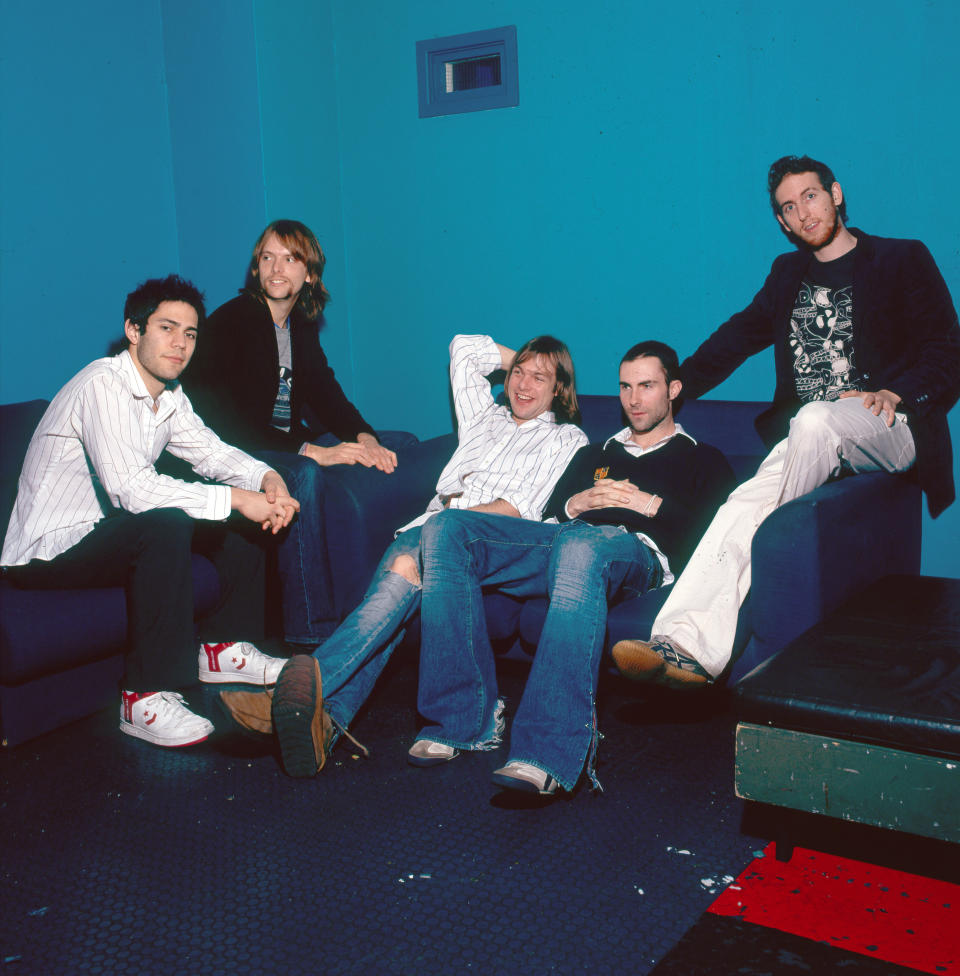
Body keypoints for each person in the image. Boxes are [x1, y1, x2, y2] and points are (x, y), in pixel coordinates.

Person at [612, 155, 960, 689]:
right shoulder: (787, 273)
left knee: (815, 420)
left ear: (836, 194)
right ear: (781, 221)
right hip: (811, 434)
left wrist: (898, 390)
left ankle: (732, 608)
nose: (803, 213)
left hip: (890, 421)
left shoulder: (900, 258)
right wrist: (672, 390)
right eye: (788, 208)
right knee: (740, 504)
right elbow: (737, 338)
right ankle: (681, 647)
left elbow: (946, 348)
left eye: (812, 197)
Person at [220, 333, 589, 777]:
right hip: (429, 526)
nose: (524, 385)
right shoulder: (484, 418)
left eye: (541, 378)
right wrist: (527, 358)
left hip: (487, 537)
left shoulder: (566, 437)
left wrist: (446, 526)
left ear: (559, 389)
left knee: (405, 568)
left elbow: (518, 510)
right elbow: (463, 349)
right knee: (397, 583)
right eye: (519, 375)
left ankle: (293, 691)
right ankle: (324, 718)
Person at [407, 341, 734, 795]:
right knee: (447, 528)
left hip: (636, 556)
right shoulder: (594, 453)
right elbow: (551, 514)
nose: (634, 399)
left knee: (583, 543)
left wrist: (646, 503)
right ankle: (461, 721)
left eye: (647, 386)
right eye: (625, 387)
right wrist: (576, 503)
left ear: (673, 389)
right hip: (568, 542)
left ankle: (549, 752)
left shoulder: (704, 459)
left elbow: (714, 537)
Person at [1, 275, 298, 748]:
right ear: (134, 331)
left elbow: (212, 451)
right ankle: (142, 698)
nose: (180, 344)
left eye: (190, 333)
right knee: (166, 521)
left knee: (229, 505)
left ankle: (222, 651)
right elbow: (132, 491)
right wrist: (239, 498)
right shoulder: (103, 383)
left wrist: (265, 479)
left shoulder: (170, 397)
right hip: (46, 552)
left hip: (101, 535)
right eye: (166, 328)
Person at [182, 220, 413, 644]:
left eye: (290, 259)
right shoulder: (237, 320)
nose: (276, 268)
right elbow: (224, 421)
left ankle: (383, 599)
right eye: (267, 257)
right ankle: (311, 632)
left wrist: (365, 437)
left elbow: (325, 392)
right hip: (237, 447)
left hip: (282, 441)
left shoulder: (299, 325)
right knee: (304, 474)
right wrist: (310, 450)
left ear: (309, 274)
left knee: (401, 444)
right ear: (256, 268)